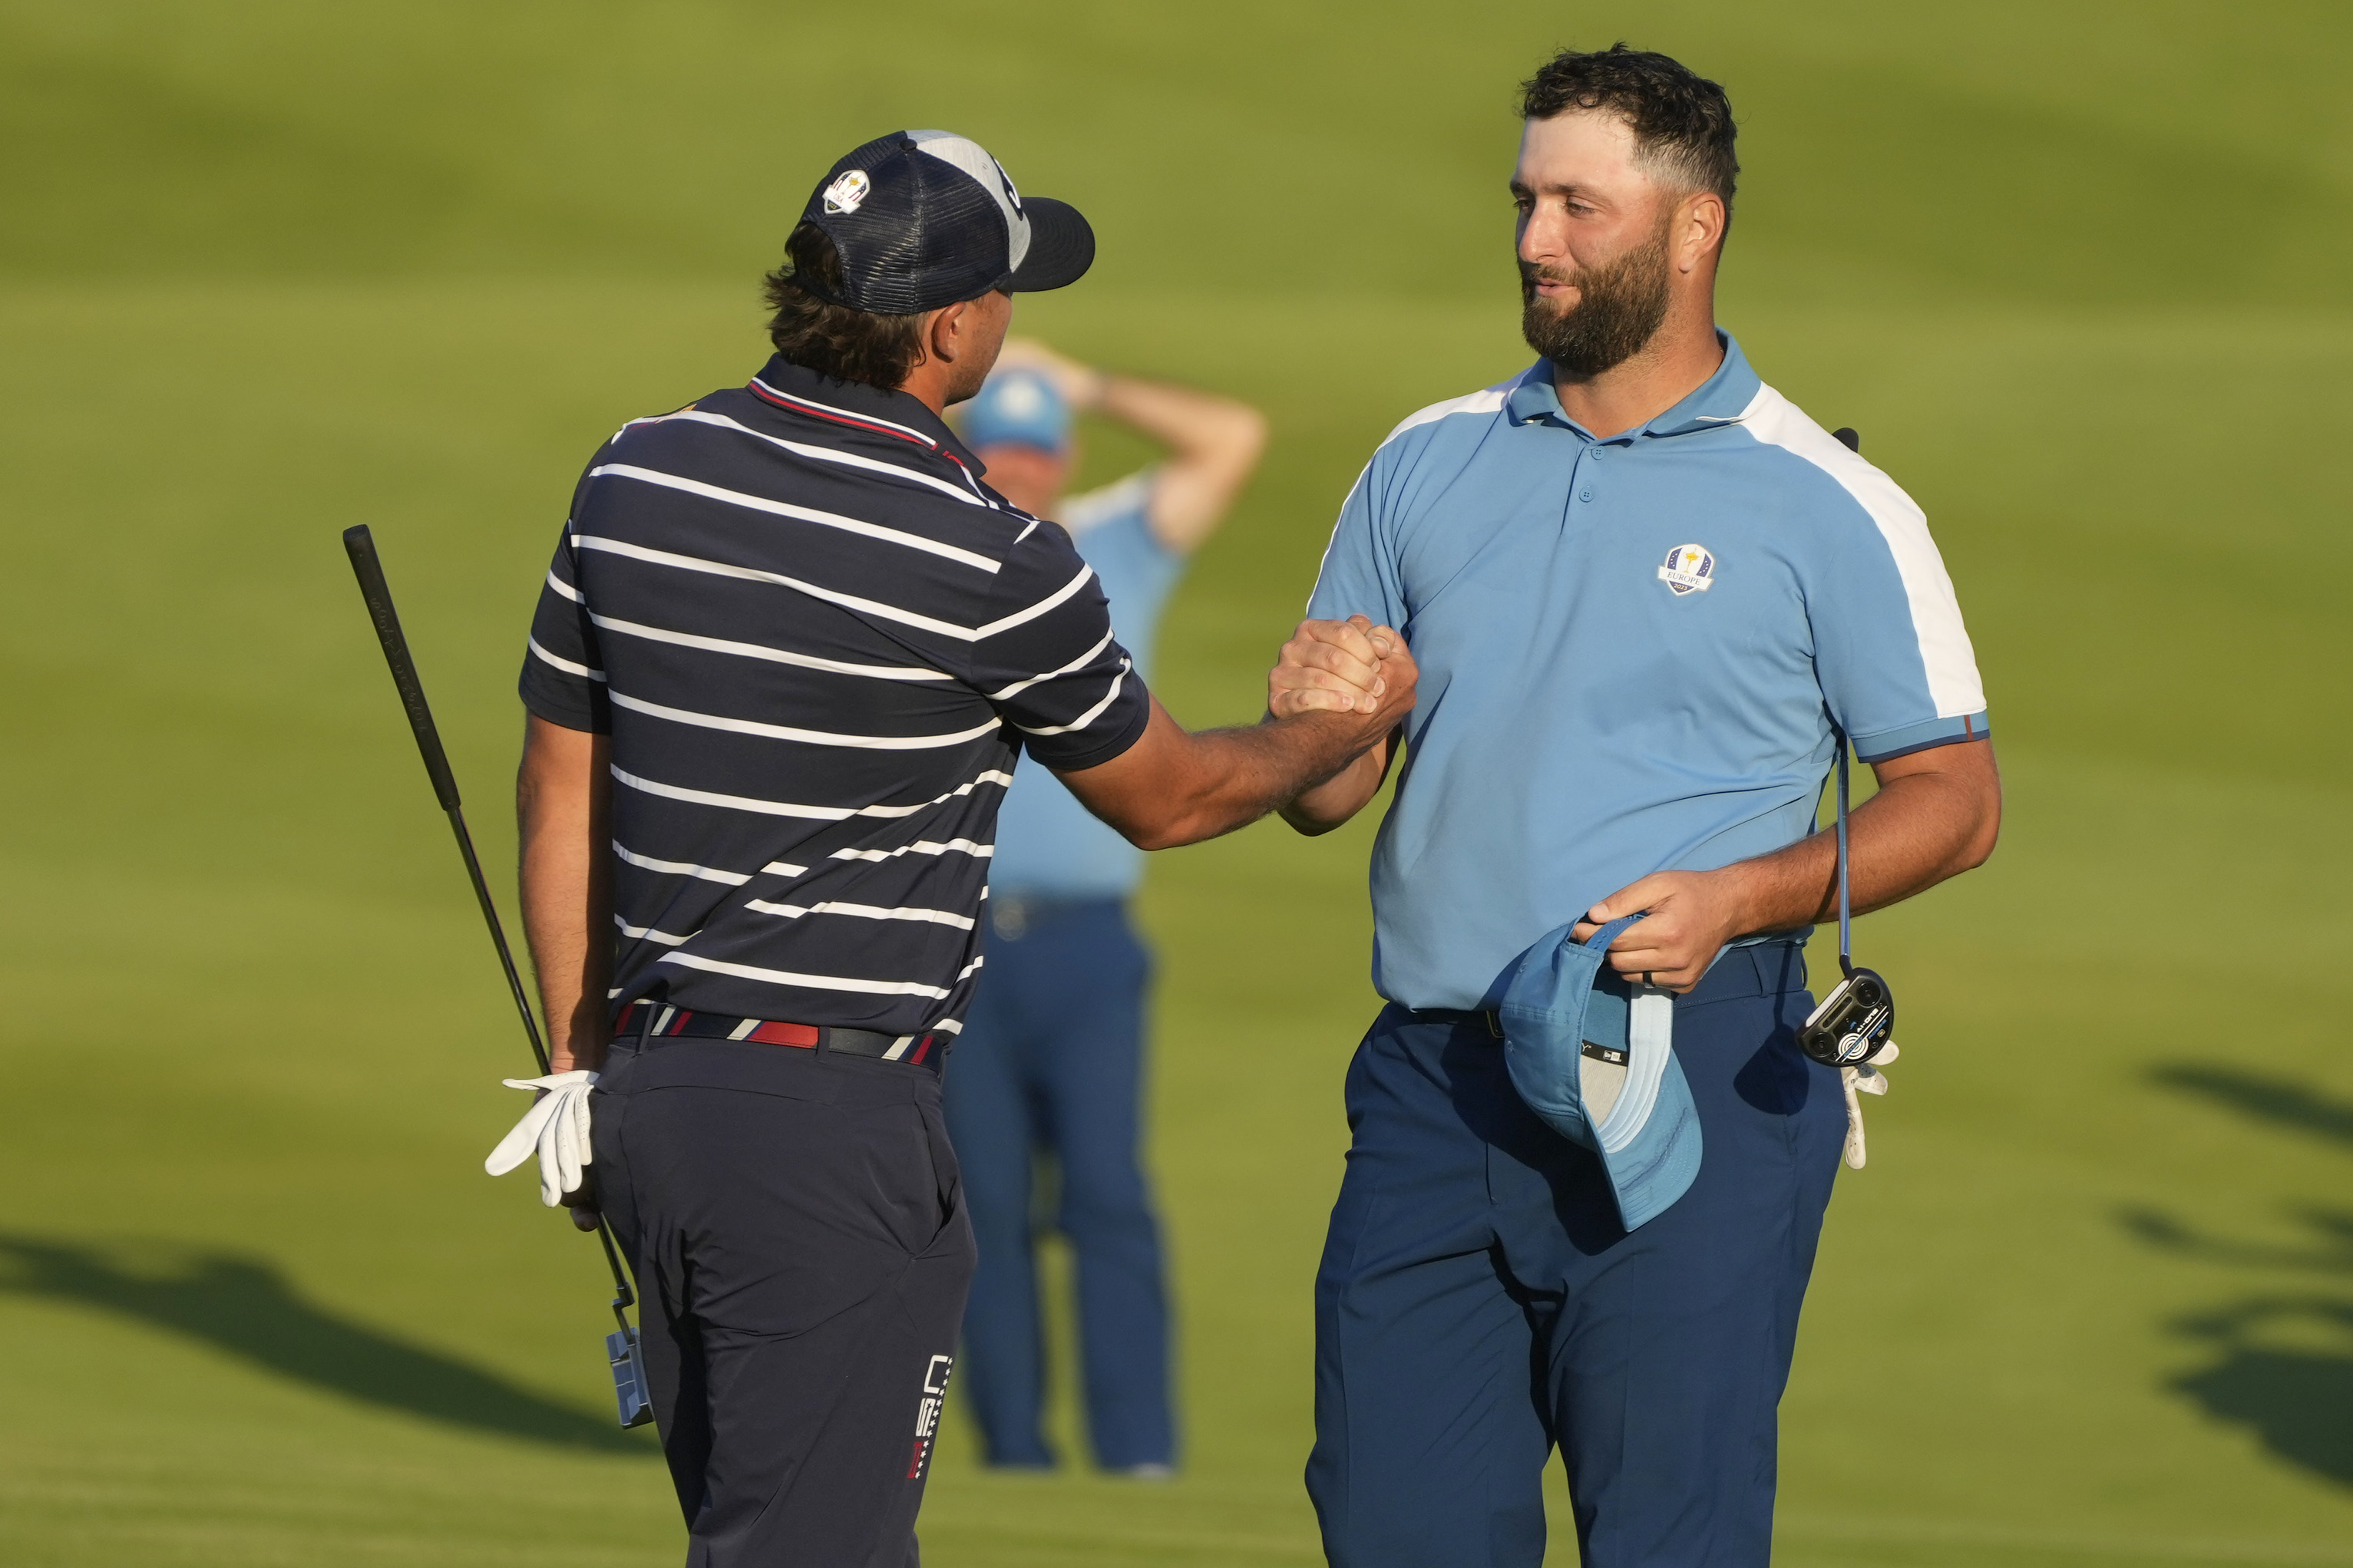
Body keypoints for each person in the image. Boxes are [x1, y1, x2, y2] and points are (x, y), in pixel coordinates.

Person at [505, 129, 1414, 1566]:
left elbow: (564, 775)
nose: (1006, 316)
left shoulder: (638, 474)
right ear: (949, 326)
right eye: (1002, 291)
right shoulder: (990, 553)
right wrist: (1338, 724)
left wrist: (576, 1067)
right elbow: (1165, 798)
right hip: (829, 1132)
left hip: (653, 1103)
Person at [1269, 47, 2004, 1568]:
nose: (1537, 241)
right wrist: (1320, 724)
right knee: (1394, 1532)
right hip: (1429, 1084)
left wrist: (1739, 897)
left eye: (1579, 207)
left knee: (1671, 1537)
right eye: (1527, 200)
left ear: (1692, 227)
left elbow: (1956, 800)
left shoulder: (1829, 502)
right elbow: (1329, 797)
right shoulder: (1424, 458)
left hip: (1695, 1073)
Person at [942, 347, 1266, 1476]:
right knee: (977, 1208)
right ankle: (1014, 1456)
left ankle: (1140, 1460)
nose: (1019, 472)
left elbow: (1231, 436)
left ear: (1063, 456)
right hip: (958, 941)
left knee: (1107, 1196)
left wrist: (1081, 381)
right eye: (999, 451)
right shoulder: (936, 554)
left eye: (1036, 450)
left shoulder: (1115, 539)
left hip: (1087, 943)